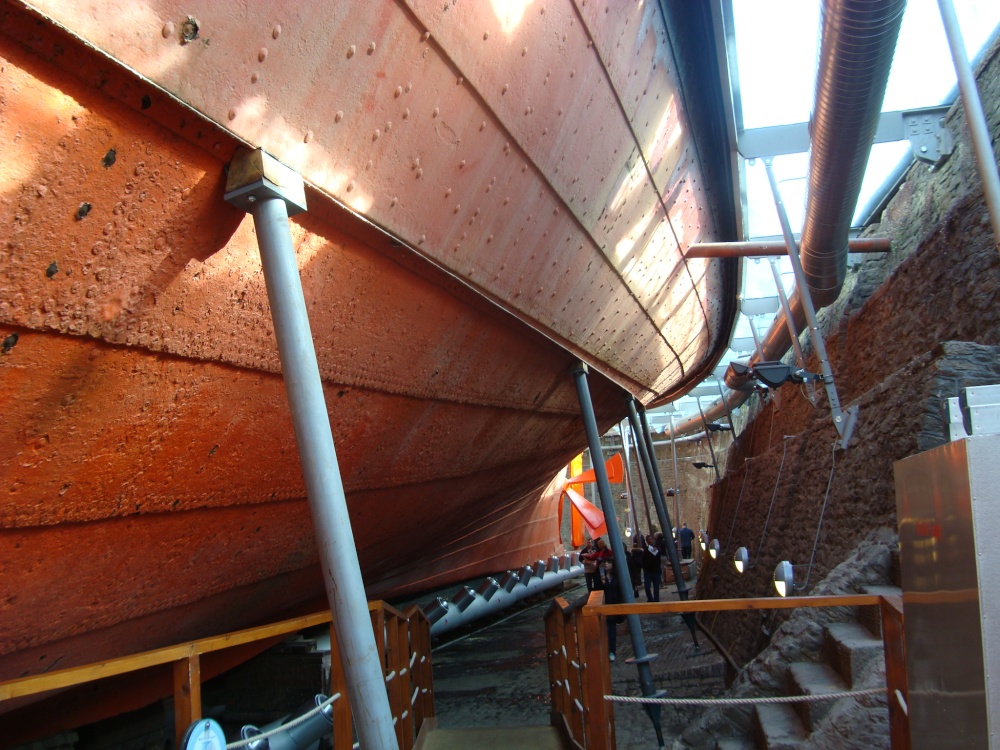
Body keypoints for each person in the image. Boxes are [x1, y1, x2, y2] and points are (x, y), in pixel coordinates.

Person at [603, 563, 626, 661]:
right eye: (605, 562)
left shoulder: (616, 578)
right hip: (605, 606)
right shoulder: (602, 577)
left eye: (608, 562)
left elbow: (620, 592)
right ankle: (609, 651)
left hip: (613, 606)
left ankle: (611, 651)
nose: (606, 564)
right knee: (608, 630)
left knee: (611, 630)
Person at [642, 534, 661, 602]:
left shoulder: (657, 548)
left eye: (651, 539)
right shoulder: (646, 550)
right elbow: (643, 560)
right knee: (647, 587)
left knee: (656, 588)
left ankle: (656, 600)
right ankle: (650, 599)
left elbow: (658, 556)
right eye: (648, 540)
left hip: (656, 571)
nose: (650, 541)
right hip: (648, 571)